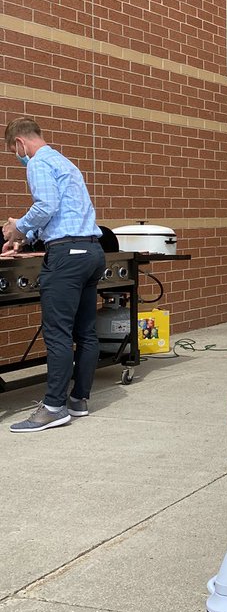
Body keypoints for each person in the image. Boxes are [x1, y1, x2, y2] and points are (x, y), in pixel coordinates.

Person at [3, 118, 106, 433]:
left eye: (14, 152)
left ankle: (52, 407)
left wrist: (16, 226)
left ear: (20, 143)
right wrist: (25, 238)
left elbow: (46, 205)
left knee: (57, 333)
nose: (18, 158)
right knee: (85, 332)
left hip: (67, 257)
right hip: (92, 252)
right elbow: (62, 212)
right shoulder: (64, 162)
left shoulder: (37, 163)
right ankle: (78, 400)